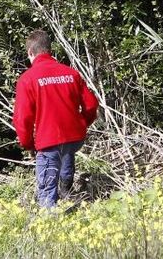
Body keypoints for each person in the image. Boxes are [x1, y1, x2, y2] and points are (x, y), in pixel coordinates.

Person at [13, 30, 99, 207]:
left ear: (30, 53)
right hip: (75, 138)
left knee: (46, 188)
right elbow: (91, 105)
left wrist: (28, 144)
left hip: (49, 141)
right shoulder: (71, 73)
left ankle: (51, 222)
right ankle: (67, 195)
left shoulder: (27, 79)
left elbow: (22, 119)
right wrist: (82, 124)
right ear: (49, 50)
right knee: (66, 153)